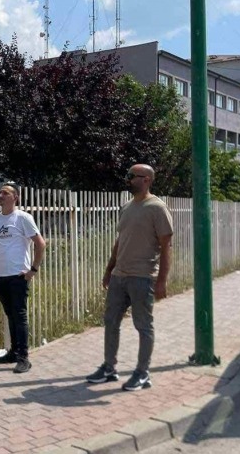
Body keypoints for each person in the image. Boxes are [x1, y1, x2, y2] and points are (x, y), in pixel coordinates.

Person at [86, 164, 173, 391]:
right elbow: (119, 242)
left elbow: (166, 246)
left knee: (143, 326)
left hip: (142, 277)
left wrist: (162, 280)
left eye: (131, 176)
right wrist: (109, 269)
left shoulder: (157, 208)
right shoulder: (127, 207)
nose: (128, 180)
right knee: (110, 321)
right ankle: (109, 368)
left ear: (146, 179)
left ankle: (142, 373)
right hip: (119, 276)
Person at [0, 182, 46, 373]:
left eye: (5, 193)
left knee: (19, 316)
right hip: (0, 275)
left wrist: (33, 270)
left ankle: (23, 357)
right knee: (10, 314)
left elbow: (40, 244)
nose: (1, 196)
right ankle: (13, 352)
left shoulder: (22, 218)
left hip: (17, 275)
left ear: (15, 198)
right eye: (0, 193)